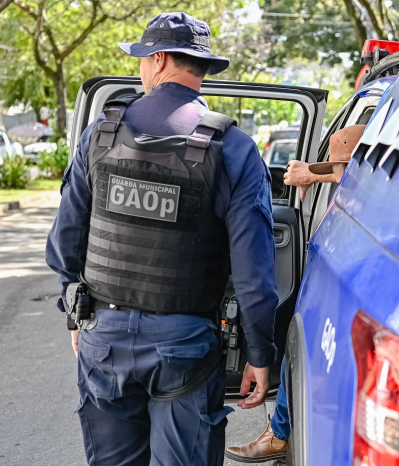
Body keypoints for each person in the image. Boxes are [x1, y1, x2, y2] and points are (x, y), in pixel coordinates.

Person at [45, 12, 278, 466]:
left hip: (104, 337)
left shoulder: (100, 135)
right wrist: (259, 352)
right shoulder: (234, 148)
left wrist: (74, 313)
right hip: (185, 346)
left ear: (160, 59)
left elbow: (66, 239)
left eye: (142, 58)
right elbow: (255, 273)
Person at [225, 124, 365, 463]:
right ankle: (280, 432)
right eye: (335, 171)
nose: (337, 177)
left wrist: (314, 176)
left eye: (339, 169)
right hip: (336, 291)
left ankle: (279, 434)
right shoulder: (355, 197)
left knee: (298, 344)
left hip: (348, 300)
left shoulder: (364, 209)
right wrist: (314, 177)